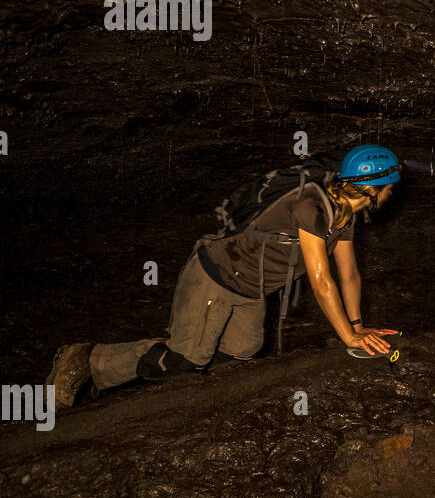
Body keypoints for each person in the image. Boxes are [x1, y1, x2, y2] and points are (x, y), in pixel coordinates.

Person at [47, 144, 404, 406]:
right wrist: (347, 338)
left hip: (250, 288)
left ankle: (180, 399)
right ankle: (89, 358)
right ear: (377, 188)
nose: (393, 193)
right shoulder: (311, 204)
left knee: (241, 354)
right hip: (216, 275)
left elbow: (349, 273)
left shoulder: (344, 215)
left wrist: (357, 325)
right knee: (187, 359)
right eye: (392, 187)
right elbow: (321, 279)